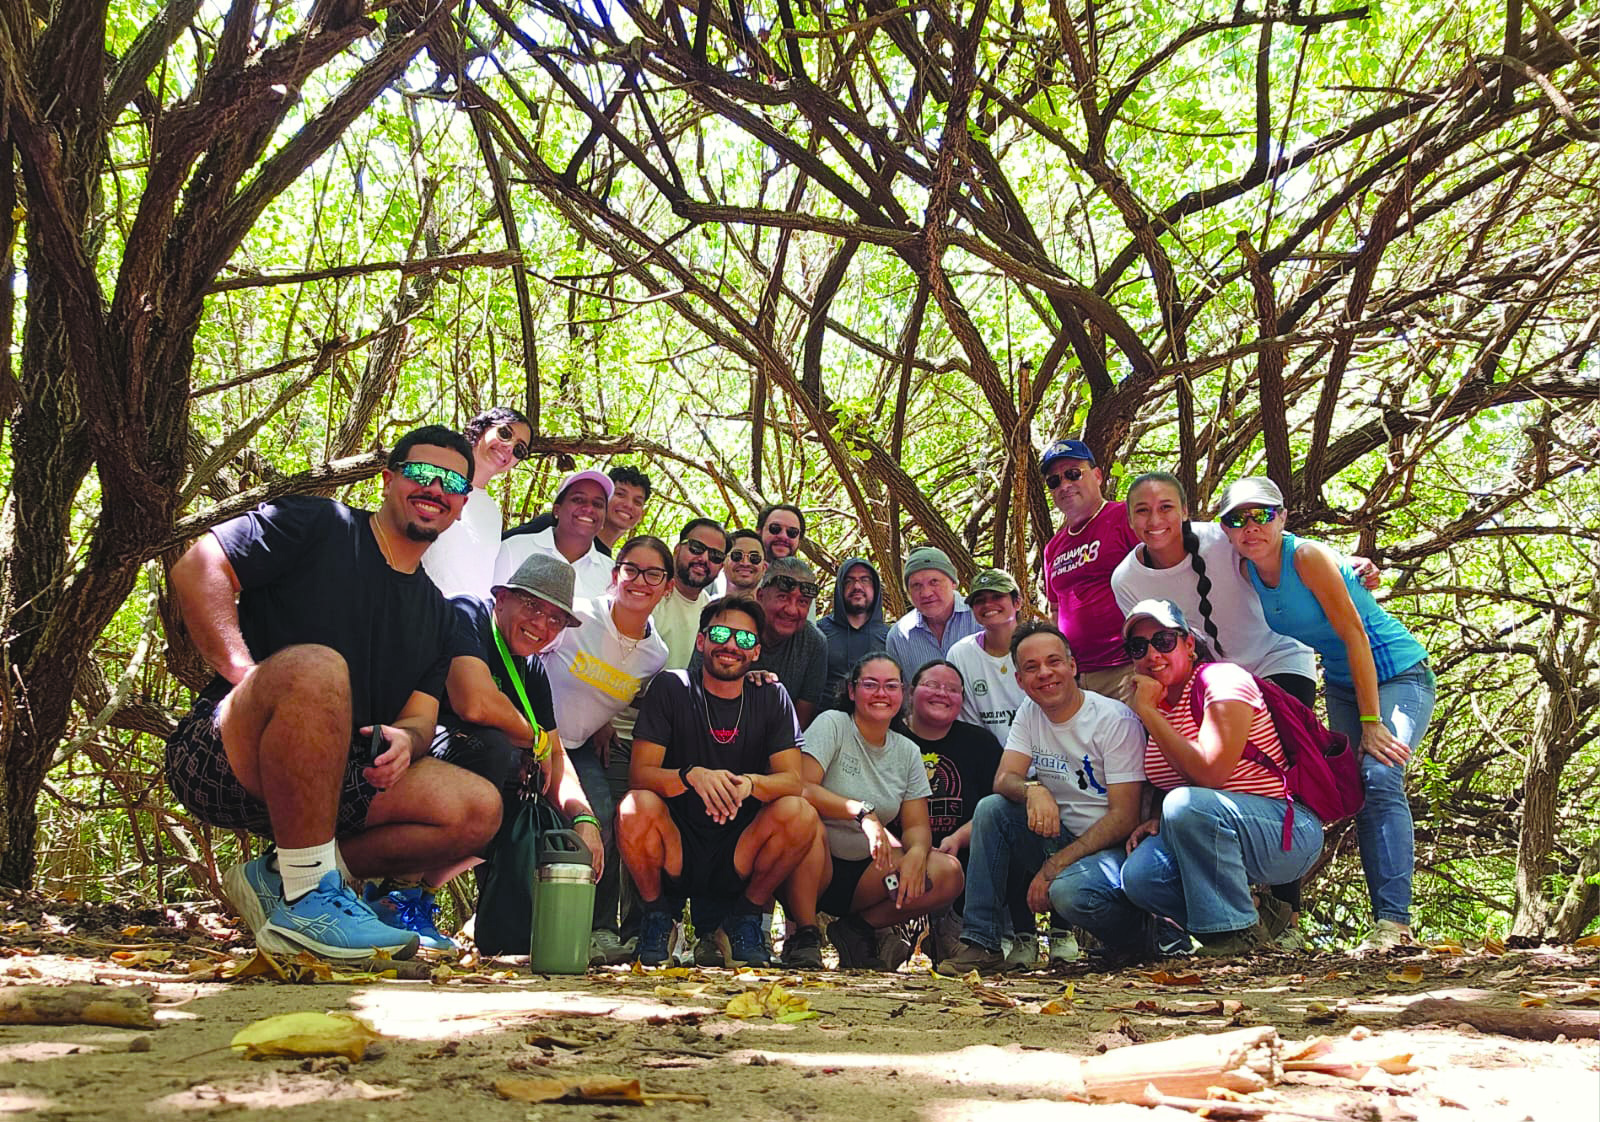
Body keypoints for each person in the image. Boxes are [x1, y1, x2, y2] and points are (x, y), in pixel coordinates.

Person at [164, 426, 501, 960]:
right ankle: (305, 900)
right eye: (421, 474)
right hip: (226, 756)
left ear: (461, 505)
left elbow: (419, 719)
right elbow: (197, 566)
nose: (435, 489)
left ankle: (291, 879)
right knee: (317, 667)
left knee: (476, 807)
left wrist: (406, 745)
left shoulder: (438, 613)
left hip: (337, 783)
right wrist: (244, 672)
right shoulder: (321, 524)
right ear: (388, 479)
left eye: (451, 483)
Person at [1219, 477, 1434, 953]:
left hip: (1397, 673)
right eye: (1237, 518)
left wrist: (1372, 723)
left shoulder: (1304, 556)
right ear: (1226, 529)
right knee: (1348, 786)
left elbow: (1356, 635)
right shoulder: (1245, 563)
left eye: (1262, 514)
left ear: (1282, 517)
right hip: (1342, 683)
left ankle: (1394, 923)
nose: (1250, 526)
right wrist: (1353, 565)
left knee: (1380, 775)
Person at [937, 622, 1150, 976]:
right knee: (992, 810)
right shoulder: (1030, 712)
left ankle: (1139, 939)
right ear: (1019, 680)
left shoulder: (1114, 720)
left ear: (1073, 666)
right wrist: (1035, 790)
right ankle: (983, 943)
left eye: (1054, 662)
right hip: (1056, 834)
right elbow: (1004, 779)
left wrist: (1052, 869)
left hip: (1110, 849)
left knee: (1069, 892)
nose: (1045, 674)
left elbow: (1125, 816)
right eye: (1032, 667)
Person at [618, 596, 821, 967]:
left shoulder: (772, 696)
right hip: (677, 842)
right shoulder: (671, 688)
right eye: (721, 634)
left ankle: (742, 919)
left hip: (739, 846)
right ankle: (659, 918)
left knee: (800, 812)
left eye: (744, 640)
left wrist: (749, 784)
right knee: (635, 805)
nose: (731, 645)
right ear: (701, 641)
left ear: (756, 652)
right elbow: (640, 774)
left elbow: (793, 781)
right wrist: (690, 776)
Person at [1119, 599, 1327, 956]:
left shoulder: (1222, 679)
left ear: (1188, 645)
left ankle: (1236, 935)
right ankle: (1255, 918)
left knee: (1187, 805)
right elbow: (1176, 781)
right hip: (1213, 826)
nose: (1152, 653)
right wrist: (1156, 818)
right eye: (1140, 646)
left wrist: (1148, 714)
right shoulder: (1157, 703)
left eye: (1164, 641)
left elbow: (1209, 775)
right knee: (1140, 877)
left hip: (1284, 830)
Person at [419, 554, 602, 951]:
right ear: (501, 598)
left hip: (471, 791)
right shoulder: (467, 615)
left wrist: (585, 819)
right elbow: (474, 703)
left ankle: (419, 895)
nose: (542, 625)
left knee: (536, 804)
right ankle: (395, 890)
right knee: (494, 750)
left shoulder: (531, 670)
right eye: (533, 606)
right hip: (408, 758)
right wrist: (531, 738)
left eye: (556, 619)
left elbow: (555, 754)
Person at [540, 536, 674, 964]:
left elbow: (611, 692)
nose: (640, 580)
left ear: (667, 586)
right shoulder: (576, 614)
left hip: (577, 749)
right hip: (531, 736)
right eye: (631, 569)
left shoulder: (656, 655)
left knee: (602, 819)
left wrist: (599, 726)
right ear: (616, 575)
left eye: (654, 573)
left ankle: (596, 930)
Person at [798, 654, 965, 969]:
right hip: (813, 863)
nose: (880, 694)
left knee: (947, 873)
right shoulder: (833, 724)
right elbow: (803, 787)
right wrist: (861, 813)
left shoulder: (907, 751)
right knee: (801, 816)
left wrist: (916, 853)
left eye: (891, 686)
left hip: (869, 874)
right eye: (870, 684)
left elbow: (917, 825)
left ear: (902, 694)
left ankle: (857, 930)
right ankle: (804, 939)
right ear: (852, 691)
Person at [894, 660, 1005, 965]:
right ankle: (882, 933)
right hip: (896, 851)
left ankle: (959, 930)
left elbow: (999, 807)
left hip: (963, 855)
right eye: (932, 685)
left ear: (962, 700)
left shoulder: (979, 743)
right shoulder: (889, 736)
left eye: (952, 689)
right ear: (910, 692)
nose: (942, 693)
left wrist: (959, 837)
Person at [1038, 439, 1140, 699]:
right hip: (1077, 676)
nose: (1065, 485)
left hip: (1126, 668)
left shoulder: (1125, 518)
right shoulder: (1053, 548)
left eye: (1073, 473)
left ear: (1097, 476)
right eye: (1054, 481)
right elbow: (1056, 610)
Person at [694, 557, 828, 727]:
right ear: (760, 596)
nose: (791, 610)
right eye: (783, 597)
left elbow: (799, 724)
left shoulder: (814, 643)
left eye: (802, 602)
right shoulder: (725, 624)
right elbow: (694, 692)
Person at [422, 407, 532, 598]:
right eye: (505, 433)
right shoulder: (433, 482)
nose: (508, 447)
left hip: (465, 622)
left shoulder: (492, 514)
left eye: (519, 449)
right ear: (482, 429)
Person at [496, 470, 616, 598]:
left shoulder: (611, 573)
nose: (588, 508)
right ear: (556, 510)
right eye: (578, 499)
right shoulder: (514, 548)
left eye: (598, 504)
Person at [946, 568, 1028, 741]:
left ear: (1017, 603)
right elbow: (966, 720)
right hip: (986, 757)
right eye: (979, 600)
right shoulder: (960, 654)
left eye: (997, 596)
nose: (988, 605)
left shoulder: (1038, 647)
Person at [509, 465, 652, 558]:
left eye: (637, 502)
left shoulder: (606, 567)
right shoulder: (553, 525)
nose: (628, 505)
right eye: (620, 494)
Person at [885, 546, 979, 676]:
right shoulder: (898, 637)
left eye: (934, 582)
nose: (926, 593)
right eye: (916, 585)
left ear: (953, 582)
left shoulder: (980, 619)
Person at [653, 519, 728, 668]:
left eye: (715, 556)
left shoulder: (711, 612)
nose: (704, 559)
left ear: (721, 566)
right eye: (696, 548)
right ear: (677, 549)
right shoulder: (649, 591)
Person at [817, 557, 889, 702]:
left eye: (865, 580)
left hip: (876, 719)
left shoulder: (890, 636)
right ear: (839, 588)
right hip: (828, 719)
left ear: (875, 587)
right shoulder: (819, 632)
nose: (857, 586)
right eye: (849, 581)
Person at [720, 528, 766, 596]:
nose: (745, 563)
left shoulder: (776, 606)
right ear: (723, 563)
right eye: (737, 555)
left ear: (764, 568)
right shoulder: (704, 605)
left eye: (754, 557)